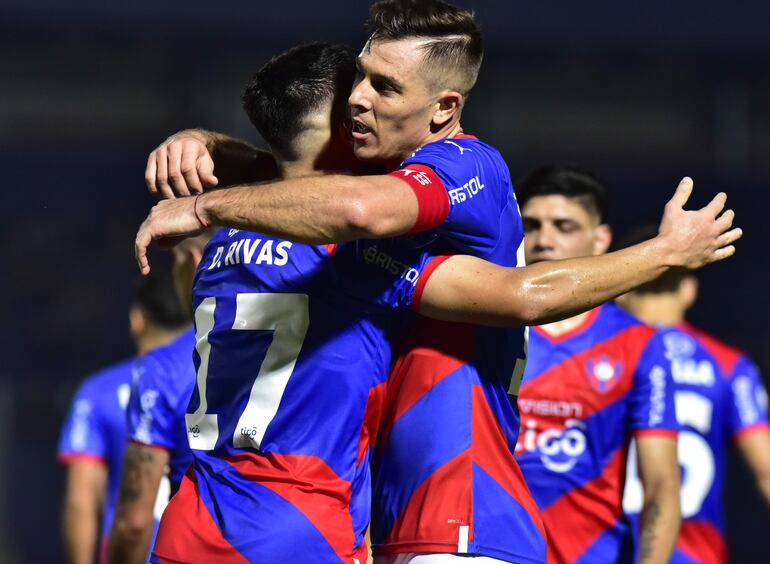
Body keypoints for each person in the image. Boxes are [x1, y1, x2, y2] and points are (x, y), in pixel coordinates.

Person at [136, 2, 738, 561]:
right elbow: (310, 176)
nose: (359, 101)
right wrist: (206, 147)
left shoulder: (461, 168)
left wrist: (664, 251)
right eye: (361, 79)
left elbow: (365, 211)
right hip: (383, 515)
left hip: (459, 508)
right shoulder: (350, 248)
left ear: (444, 107)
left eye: (384, 86)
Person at [513, 166, 681, 564]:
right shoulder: (485, 327)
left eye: (564, 226)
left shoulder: (637, 343)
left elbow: (661, 486)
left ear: (600, 239)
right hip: (496, 553)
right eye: (531, 225)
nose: (544, 240)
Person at [618, 225, 770, 564]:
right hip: (695, 555)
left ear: (620, 290)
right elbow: (767, 471)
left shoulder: (597, 359)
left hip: (600, 551)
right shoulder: (730, 366)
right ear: (689, 289)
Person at [58, 268, 191, 564]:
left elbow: (82, 498)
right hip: (199, 550)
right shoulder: (220, 380)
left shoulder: (97, 392)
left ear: (137, 320)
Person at [107, 236, 208, 563]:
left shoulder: (162, 369)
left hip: (199, 546)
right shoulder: (314, 346)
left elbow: (134, 522)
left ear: (194, 260)